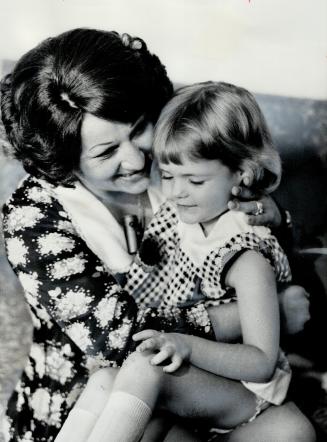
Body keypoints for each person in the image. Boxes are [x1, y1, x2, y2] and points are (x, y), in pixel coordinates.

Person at [0, 29, 313, 442]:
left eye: (138, 128)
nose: (134, 159)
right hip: (89, 400)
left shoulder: (179, 162)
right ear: (63, 157)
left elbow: (265, 250)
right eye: (105, 152)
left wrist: (270, 217)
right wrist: (264, 312)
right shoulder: (33, 218)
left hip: (205, 388)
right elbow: (120, 341)